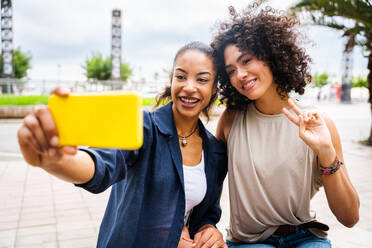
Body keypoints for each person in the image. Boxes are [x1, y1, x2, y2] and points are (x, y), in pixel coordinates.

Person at [17, 41, 228, 248]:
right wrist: (54, 160)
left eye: (202, 80)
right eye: (180, 76)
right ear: (172, 80)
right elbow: (101, 165)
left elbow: (205, 214)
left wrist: (207, 230)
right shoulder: (142, 127)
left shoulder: (216, 152)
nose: (189, 87)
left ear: (214, 87)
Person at [211, 5, 360, 248]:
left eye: (246, 60)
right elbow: (209, 188)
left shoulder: (319, 124)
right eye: (231, 71)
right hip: (249, 242)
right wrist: (205, 226)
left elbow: (350, 217)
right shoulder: (231, 120)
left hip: (305, 237)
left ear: (270, 55)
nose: (240, 75)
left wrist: (326, 152)